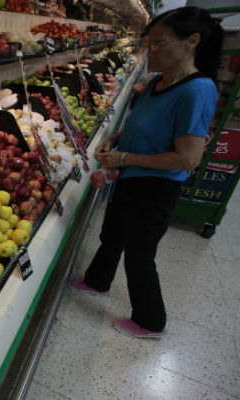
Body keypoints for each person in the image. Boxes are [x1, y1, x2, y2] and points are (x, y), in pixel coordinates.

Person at [69, 6, 223, 338]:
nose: (148, 51)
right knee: (112, 235)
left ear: (192, 41)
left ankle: (151, 322)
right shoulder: (157, 82)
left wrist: (124, 158)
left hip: (156, 188)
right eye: (147, 43)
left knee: (140, 255)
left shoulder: (198, 90)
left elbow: (188, 158)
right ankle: (97, 281)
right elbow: (140, 124)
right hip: (131, 178)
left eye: (158, 44)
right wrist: (114, 141)